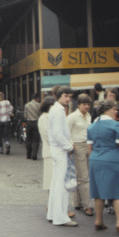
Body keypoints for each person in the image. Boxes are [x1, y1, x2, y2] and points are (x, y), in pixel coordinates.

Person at [87, 99, 119, 235]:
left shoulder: (91, 126)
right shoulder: (115, 125)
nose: (116, 112)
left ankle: (99, 220)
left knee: (98, 192)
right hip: (112, 160)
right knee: (118, 191)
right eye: (114, 109)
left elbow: (89, 147)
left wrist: (96, 156)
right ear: (108, 110)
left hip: (95, 160)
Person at [47, 86, 77, 227]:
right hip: (60, 150)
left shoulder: (55, 109)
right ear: (59, 96)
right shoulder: (58, 111)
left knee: (56, 183)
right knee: (62, 185)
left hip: (56, 149)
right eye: (66, 96)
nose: (68, 99)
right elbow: (58, 133)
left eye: (70, 96)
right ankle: (61, 217)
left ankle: (54, 214)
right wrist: (69, 147)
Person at [67, 93, 93, 216]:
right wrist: (71, 145)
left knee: (80, 175)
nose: (87, 106)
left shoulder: (88, 116)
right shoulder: (72, 117)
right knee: (84, 176)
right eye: (84, 104)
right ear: (79, 105)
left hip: (87, 145)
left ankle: (77, 202)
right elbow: (66, 131)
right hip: (78, 146)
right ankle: (87, 206)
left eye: (88, 104)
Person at [38, 96, 56, 193]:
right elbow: (48, 136)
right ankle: (51, 206)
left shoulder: (50, 117)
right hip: (50, 153)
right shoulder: (44, 118)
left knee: (54, 181)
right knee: (51, 181)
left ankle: (54, 206)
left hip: (54, 152)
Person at [24, 92, 41, 160]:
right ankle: (34, 154)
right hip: (36, 123)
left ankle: (28, 154)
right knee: (36, 140)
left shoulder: (27, 105)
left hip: (29, 123)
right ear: (37, 98)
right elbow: (41, 114)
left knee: (28, 139)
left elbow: (25, 115)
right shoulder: (39, 105)